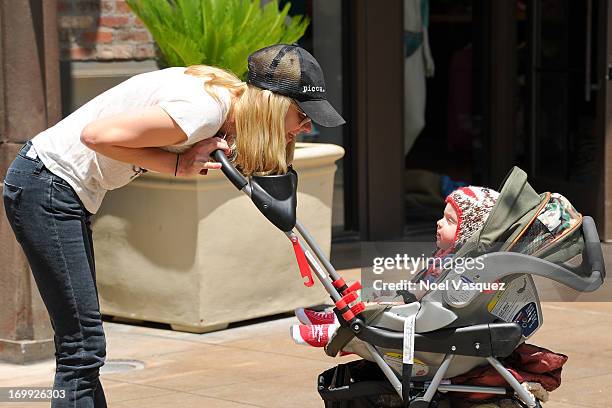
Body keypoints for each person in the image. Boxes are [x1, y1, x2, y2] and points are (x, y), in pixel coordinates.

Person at [2, 44, 344, 408]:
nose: (307, 127)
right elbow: (95, 136)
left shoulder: (223, 100)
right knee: (82, 347)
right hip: (48, 186)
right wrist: (177, 166)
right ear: (273, 105)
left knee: (81, 346)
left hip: (58, 190)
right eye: (302, 115)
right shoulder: (203, 110)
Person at [291, 185, 499, 347]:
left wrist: (401, 296)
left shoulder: (464, 267)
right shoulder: (447, 255)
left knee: (373, 307)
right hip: (413, 302)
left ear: (469, 233)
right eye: (442, 216)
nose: (439, 222)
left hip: (419, 316)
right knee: (368, 292)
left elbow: (434, 293)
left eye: (450, 221)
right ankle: (334, 316)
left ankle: (333, 331)